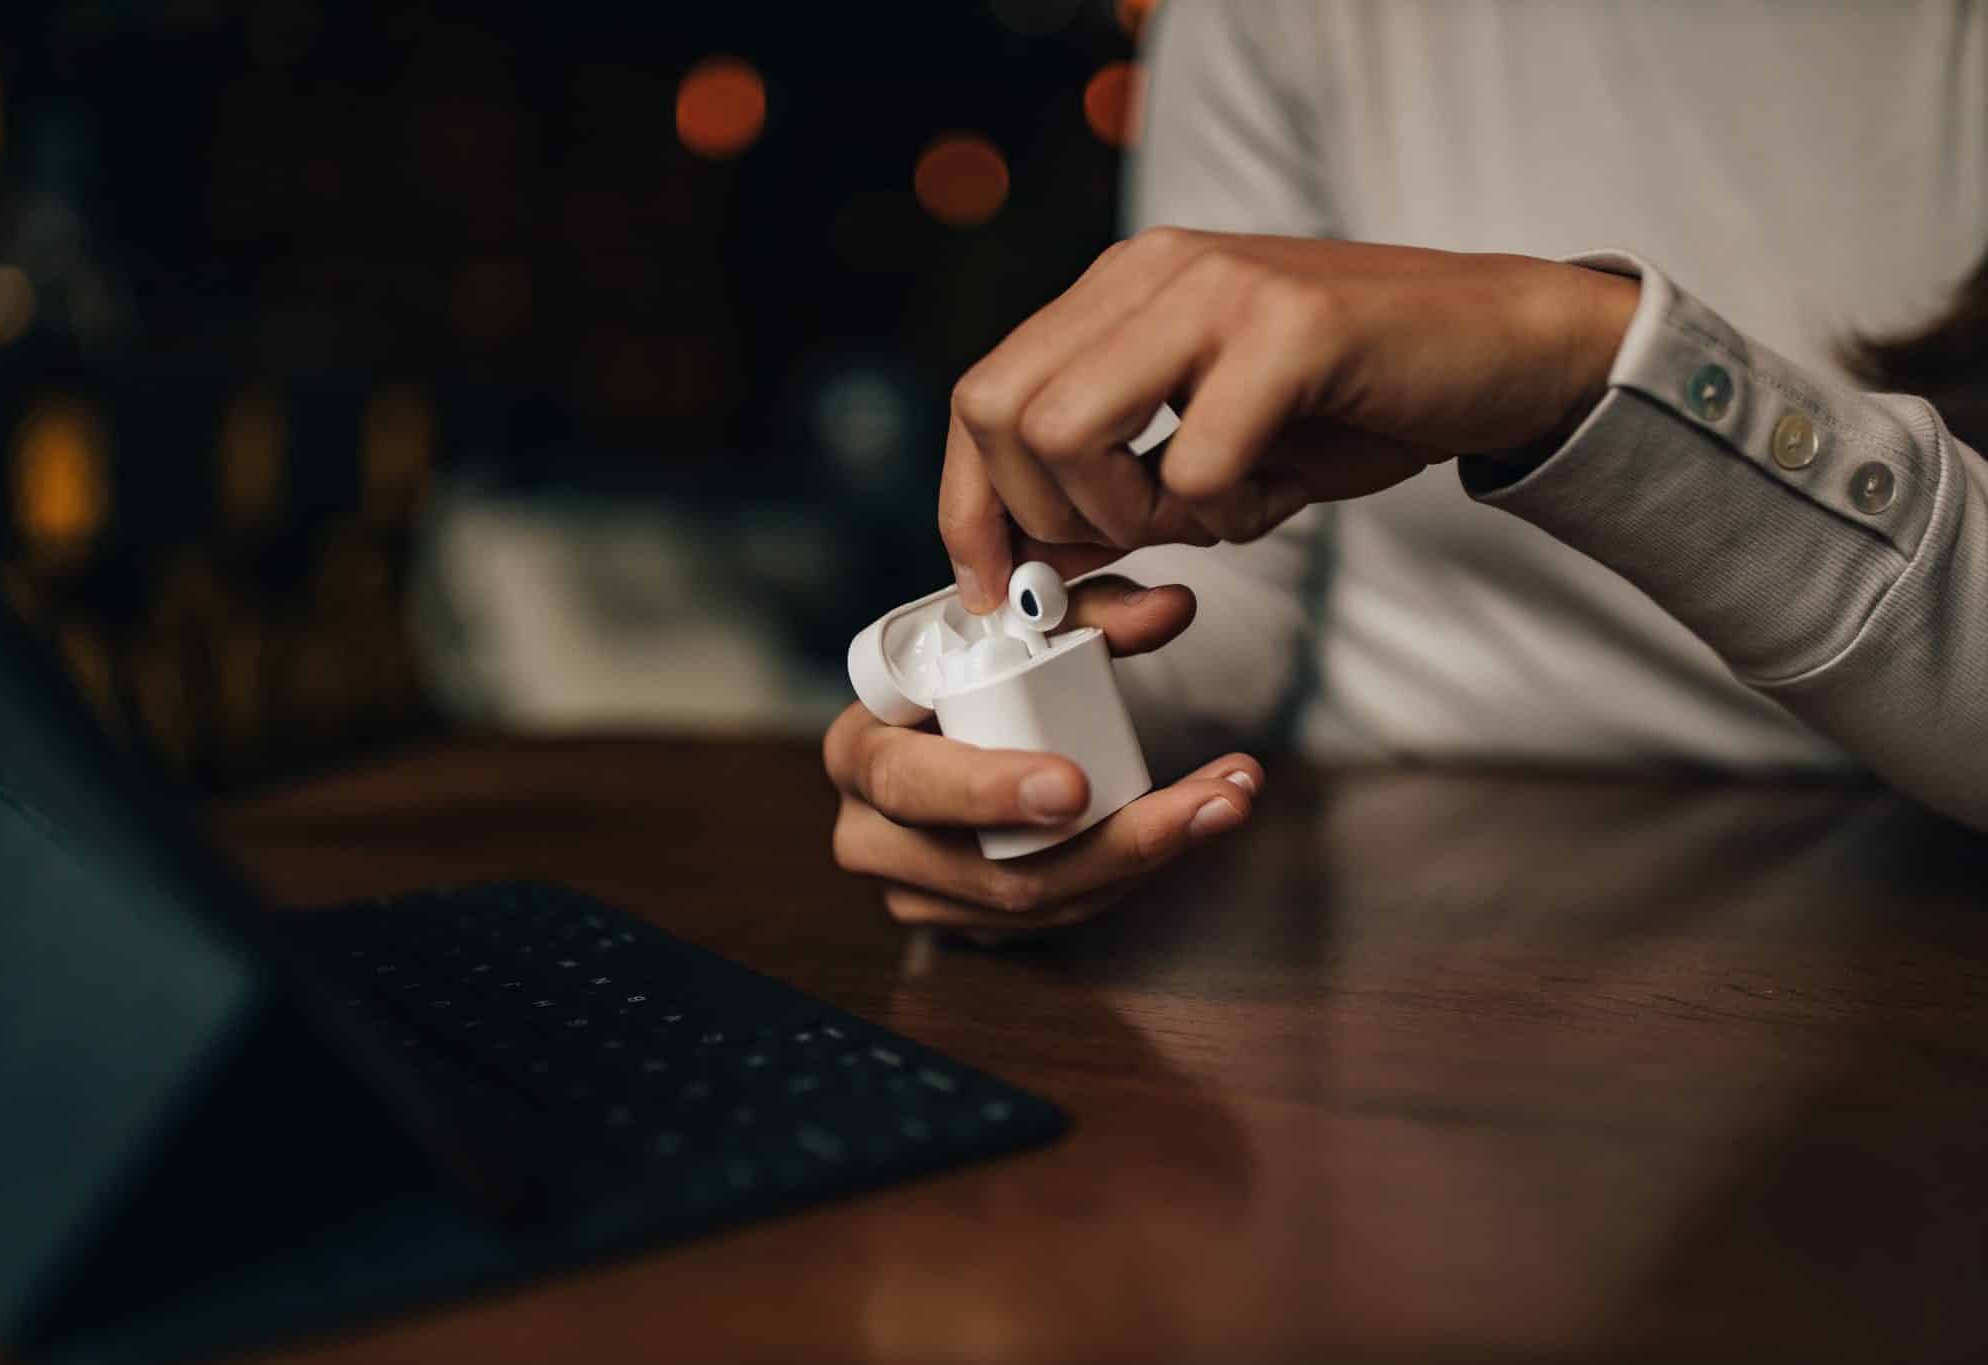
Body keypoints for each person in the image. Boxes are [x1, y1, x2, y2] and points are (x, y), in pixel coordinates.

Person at [825, 1, 1988, 936]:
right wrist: (1020, 740)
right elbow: (1218, 573)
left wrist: (1582, 361)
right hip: (1373, 920)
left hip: (1892, 904)